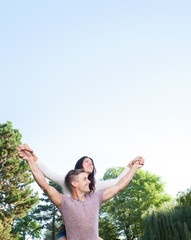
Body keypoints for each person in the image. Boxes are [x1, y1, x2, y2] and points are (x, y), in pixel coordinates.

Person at [17, 145, 144, 239]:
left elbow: (118, 184)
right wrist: (31, 159)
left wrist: (132, 167)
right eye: (87, 161)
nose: (91, 164)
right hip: (67, 230)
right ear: (74, 182)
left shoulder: (95, 193)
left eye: (92, 163)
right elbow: (46, 180)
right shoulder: (66, 185)